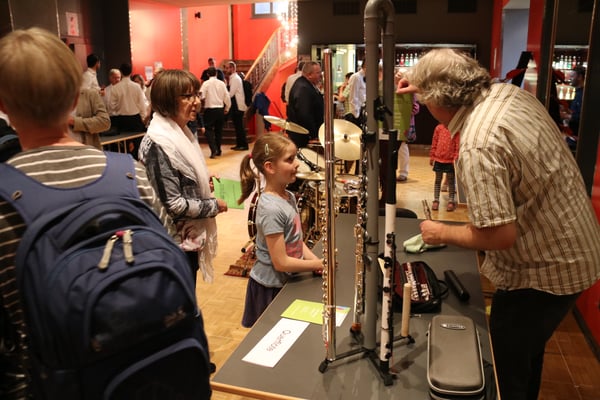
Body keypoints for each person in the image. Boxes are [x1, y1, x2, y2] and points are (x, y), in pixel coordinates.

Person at [397, 48, 600, 400]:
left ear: (437, 98)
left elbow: (500, 235)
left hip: (546, 272)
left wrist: (440, 231)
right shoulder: (507, 94)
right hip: (575, 248)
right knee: (527, 352)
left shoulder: (479, 143)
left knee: (507, 363)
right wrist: (422, 83)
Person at [0, 27, 173, 399]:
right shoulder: (130, 173)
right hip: (148, 371)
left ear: (3, 104)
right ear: (76, 96)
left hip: (57, 382)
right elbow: (167, 245)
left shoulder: (3, 198)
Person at [138, 69, 228, 286]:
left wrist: (199, 182)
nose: (196, 101)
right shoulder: (160, 143)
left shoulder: (180, 133)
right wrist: (213, 206)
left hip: (184, 242)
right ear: (167, 101)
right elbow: (173, 204)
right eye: (187, 96)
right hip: (171, 246)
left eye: (196, 94)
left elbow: (177, 181)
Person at [237, 134, 323, 327]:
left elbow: (295, 240)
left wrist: (315, 262)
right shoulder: (271, 209)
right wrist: (318, 264)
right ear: (270, 167)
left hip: (287, 281)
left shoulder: (289, 196)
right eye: (290, 159)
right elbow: (281, 262)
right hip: (270, 288)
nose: (298, 164)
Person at [287, 61, 324, 148]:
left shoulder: (305, 84)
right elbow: (304, 114)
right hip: (303, 136)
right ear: (309, 75)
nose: (321, 75)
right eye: (318, 73)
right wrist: (314, 134)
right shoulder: (303, 87)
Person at [394, 71, 420, 182]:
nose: (397, 76)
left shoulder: (409, 90)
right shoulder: (389, 87)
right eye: (397, 74)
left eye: (400, 75)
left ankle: (403, 172)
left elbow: (416, 107)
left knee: (402, 148)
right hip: (392, 122)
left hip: (404, 123)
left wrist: (408, 112)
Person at [200, 66, 230, 158]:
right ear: (216, 73)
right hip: (220, 109)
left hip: (210, 109)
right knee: (219, 131)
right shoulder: (222, 83)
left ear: (207, 74)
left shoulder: (206, 83)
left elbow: (201, 96)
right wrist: (227, 107)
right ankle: (218, 150)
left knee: (208, 129)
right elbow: (227, 96)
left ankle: (213, 149)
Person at [107, 62, 147, 133]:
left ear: (121, 72)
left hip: (121, 120)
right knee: (137, 138)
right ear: (131, 72)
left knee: (124, 139)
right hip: (135, 119)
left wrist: (118, 109)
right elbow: (142, 104)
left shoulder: (115, 88)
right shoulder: (137, 86)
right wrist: (143, 118)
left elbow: (111, 106)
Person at [429, 123, 459, 212]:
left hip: (450, 160)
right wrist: (432, 156)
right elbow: (434, 142)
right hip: (439, 159)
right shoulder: (438, 128)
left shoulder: (455, 128)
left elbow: (457, 144)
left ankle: (451, 200)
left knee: (451, 181)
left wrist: (455, 157)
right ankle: (436, 200)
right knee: (438, 180)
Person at [225, 61, 249, 150]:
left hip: (238, 106)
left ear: (232, 68)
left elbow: (231, 94)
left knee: (239, 127)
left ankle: (243, 145)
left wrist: (223, 93)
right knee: (237, 126)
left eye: (227, 68)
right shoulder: (233, 78)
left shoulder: (235, 78)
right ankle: (239, 144)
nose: (226, 70)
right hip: (236, 105)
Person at [344, 61, 366, 127]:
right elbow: (353, 97)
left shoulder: (366, 77)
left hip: (362, 112)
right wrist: (356, 115)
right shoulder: (356, 77)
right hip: (355, 114)